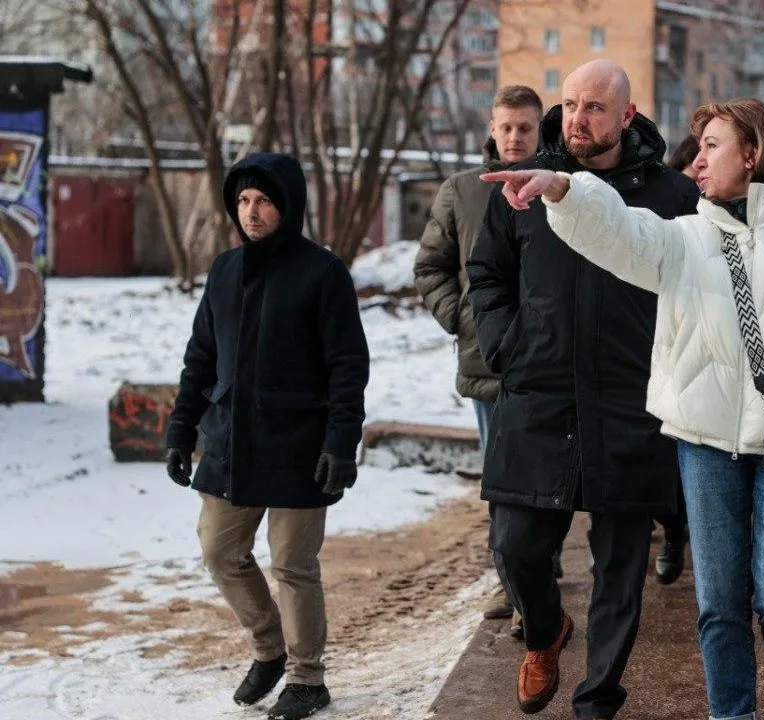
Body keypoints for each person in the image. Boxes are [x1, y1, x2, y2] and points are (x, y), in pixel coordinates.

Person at [483, 97, 764, 720]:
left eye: (712, 146)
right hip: (705, 443)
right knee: (719, 601)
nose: (697, 161)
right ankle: (731, 713)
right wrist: (564, 189)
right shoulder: (688, 237)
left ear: (753, 153)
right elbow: (620, 231)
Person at [465, 60, 699, 720]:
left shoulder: (671, 196)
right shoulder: (521, 187)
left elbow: (690, 289)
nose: (578, 118)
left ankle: (598, 700)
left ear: (627, 115)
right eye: (570, 104)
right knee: (515, 545)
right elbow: (487, 275)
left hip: (630, 400)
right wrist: (508, 344)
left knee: (619, 568)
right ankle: (545, 633)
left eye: (595, 107)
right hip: (538, 394)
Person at [164, 153, 370, 720]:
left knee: (293, 566)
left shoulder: (323, 273)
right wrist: (181, 429)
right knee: (220, 549)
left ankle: (308, 677)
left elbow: (348, 365)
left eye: (264, 200)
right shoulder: (225, 269)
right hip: (231, 439)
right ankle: (269, 648)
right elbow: (201, 357)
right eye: (244, 201)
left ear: (288, 205)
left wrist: (339, 441)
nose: (251, 211)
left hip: (300, 443)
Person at [412, 84, 546, 636]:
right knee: (501, 478)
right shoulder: (461, 191)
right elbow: (430, 268)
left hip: (549, 363)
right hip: (488, 366)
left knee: (546, 476)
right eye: (506, 127)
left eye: (525, 128)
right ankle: (512, 584)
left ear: (540, 131)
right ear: (491, 130)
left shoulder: (561, 189)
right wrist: (464, 321)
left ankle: (539, 576)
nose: (514, 137)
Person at [651, 133, 702, 586]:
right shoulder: (665, 212)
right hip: (660, 345)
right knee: (663, 455)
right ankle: (672, 533)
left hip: (704, 349)